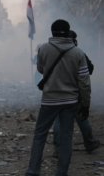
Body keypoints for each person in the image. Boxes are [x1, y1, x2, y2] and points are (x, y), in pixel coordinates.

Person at [25, 20, 91, 176]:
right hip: (70, 102)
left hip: (49, 100)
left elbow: (41, 69)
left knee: (40, 135)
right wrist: (86, 104)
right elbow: (84, 82)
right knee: (66, 139)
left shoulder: (43, 49)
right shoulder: (78, 53)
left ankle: (33, 171)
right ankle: (61, 173)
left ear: (52, 32)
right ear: (68, 32)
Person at [52, 30, 99, 158]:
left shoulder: (53, 52)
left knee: (59, 121)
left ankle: (58, 148)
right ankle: (89, 143)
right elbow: (90, 69)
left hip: (57, 93)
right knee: (82, 119)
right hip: (74, 94)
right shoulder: (79, 54)